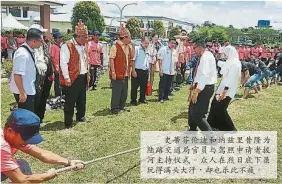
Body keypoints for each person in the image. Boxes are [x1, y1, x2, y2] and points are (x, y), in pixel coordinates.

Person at [1, 108, 84, 183]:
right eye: (25, 138)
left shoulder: (14, 138)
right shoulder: (2, 147)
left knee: (22, 165)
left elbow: (42, 154)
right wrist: (46, 176)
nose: (27, 142)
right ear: (10, 131)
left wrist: (68, 162)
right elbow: (22, 180)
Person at [59, 19, 90, 129]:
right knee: (70, 101)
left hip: (83, 76)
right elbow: (63, 62)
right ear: (79, 37)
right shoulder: (67, 46)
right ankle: (68, 122)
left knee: (82, 99)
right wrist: (67, 77)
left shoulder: (83, 46)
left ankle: (81, 116)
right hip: (73, 77)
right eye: (85, 38)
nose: (86, 41)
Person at [207, 45, 241, 131]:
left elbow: (230, 79)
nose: (224, 56)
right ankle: (212, 124)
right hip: (222, 88)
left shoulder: (235, 65)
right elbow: (222, 64)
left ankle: (230, 128)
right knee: (214, 105)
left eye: (225, 54)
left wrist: (224, 93)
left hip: (227, 90)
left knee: (221, 109)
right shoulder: (230, 62)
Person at [10, 28, 43, 112]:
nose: (42, 43)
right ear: (34, 41)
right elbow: (17, 74)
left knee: (30, 113)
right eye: (41, 41)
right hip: (24, 91)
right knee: (26, 116)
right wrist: (22, 93)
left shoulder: (30, 50)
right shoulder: (22, 54)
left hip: (29, 88)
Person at [188, 39, 217, 131]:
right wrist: (194, 83)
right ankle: (192, 129)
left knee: (197, 114)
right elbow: (200, 73)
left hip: (204, 88)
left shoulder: (205, 57)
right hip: (201, 86)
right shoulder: (204, 55)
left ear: (200, 47)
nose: (193, 50)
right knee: (192, 109)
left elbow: (204, 76)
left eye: (194, 48)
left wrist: (197, 91)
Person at [30, 24, 54, 123]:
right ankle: (35, 118)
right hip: (37, 77)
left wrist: (50, 72)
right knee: (36, 98)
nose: (43, 35)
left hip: (46, 76)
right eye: (41, 33)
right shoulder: (31, 47)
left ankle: (40, 117)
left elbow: (47, 58)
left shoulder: (43, 44)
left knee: (44, 96)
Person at [109, 25, 133, 114]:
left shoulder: (128, 47)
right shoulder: (115, 46)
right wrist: (113, 72)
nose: (130, 39)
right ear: (124, 38)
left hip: (125, 73)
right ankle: (114, 107)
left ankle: (121, 106)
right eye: (129, 37)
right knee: (116, 92)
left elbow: (131, 57)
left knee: (124, 91)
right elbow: (111, 59)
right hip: (118, 72)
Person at [157, 38, 178, 103]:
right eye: (172, 43)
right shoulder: (163, 49)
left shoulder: (174, 51)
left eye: (174, 43)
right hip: (164, 70)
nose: (173, 44)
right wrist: (160, 69)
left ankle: (166, 96)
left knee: (168, 85)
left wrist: (175, 70)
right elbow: (160, 60)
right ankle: (161, 97)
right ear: (169, 42)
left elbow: (175, 62)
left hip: (171, 71)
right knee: (162, 84)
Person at [131, 37, 150, 106]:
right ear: (141, 42)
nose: (147, 44)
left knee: (143, 86)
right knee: (135, 87)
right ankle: (133, 100)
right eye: (145, 43)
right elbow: (132, 60)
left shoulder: (147, 50)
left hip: (145, 71)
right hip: (137, 70)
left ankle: (142, 99)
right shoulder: (136, 49)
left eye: (148, 43)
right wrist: (133, 71)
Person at [50, 31, 63, 97]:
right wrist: (55, 68)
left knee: (61, 82)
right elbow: (52, 58)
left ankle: (61, 94)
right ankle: (57, 95)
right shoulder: (53, 47)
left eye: (61, 37)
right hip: (57, 67)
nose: (60, 39)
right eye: (59, 37)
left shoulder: (60, 46)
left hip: (61, 67)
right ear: (55, 39)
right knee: (57, 82)